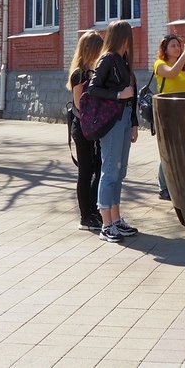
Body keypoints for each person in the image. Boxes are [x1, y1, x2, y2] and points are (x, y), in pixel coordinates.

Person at [88, 20, 139, 243]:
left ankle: (116, 219)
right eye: (128, 35)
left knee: (120, 171)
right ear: (122, 37)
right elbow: (93, 89)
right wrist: (118, 95)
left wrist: (134, 123)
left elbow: (133, 94)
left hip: (125, 119)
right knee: (109, 171)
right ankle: (106, 224)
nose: (131, 40)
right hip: (112, 121)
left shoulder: (123, 60)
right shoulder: (107, 59)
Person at [152, 34, 185, 199]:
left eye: (178, 45)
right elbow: (172, 73)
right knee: (169, 149)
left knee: (183, 147)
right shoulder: (160, 64)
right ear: (165, 49)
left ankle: (180, 183)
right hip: (167, 111)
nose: (177, 48)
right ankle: (163, 187)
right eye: (173, 45)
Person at [66, 31, 105, 232]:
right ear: (91, 49)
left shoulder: (93, 71)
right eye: (100, 48)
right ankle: (85, 217)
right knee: (86, 171)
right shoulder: (79, 74)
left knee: (97, 169)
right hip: (82, 128)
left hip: (93, 127)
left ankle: (94, 211)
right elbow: (79, 104)